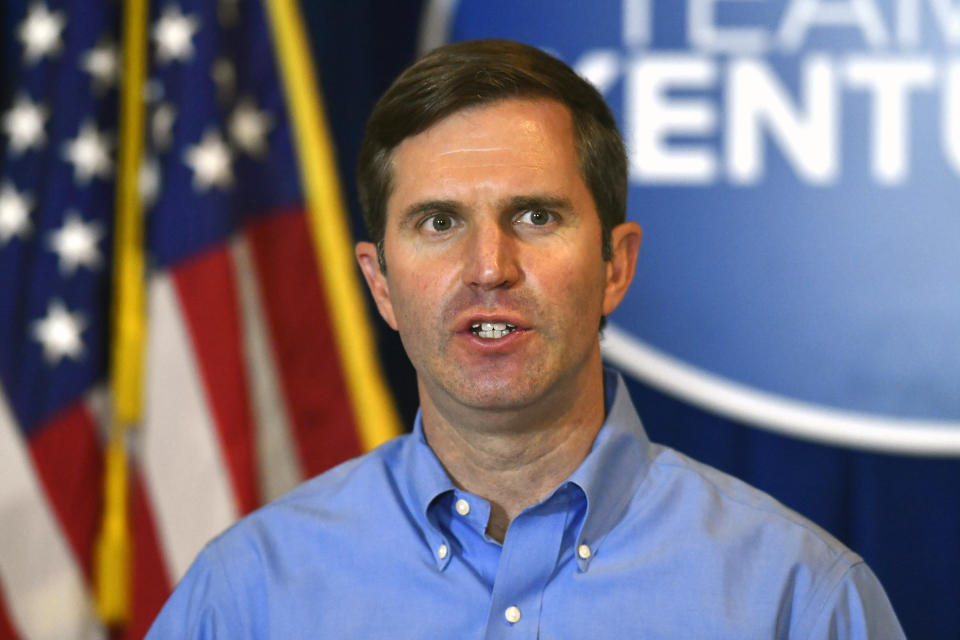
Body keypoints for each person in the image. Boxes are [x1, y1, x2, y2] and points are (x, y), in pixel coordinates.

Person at [147, 39, 904, 638]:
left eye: (536, 217)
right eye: (439, 223)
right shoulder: (244, 597)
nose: (488, 268)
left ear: (615, 265)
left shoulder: (798, 598)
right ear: (380, 283)